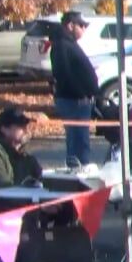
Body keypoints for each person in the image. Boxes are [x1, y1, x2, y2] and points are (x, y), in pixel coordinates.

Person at [49, 11, 100, 167]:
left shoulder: (69, 43)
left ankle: (80, 168)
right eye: (82, 25)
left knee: (80, 140)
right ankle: (78, 173)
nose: (84, 29)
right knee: (78, 141)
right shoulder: (62, 45)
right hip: (73, 100)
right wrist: (81, 94)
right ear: (71, 25)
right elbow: (63, 73)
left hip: (79, 100)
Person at [0, 106, 43, 188]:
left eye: (26, 126)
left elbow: (44, 183)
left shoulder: (27, 158)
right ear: (4, 129)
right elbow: (3, 189)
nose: (26, 130)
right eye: (20, 126)